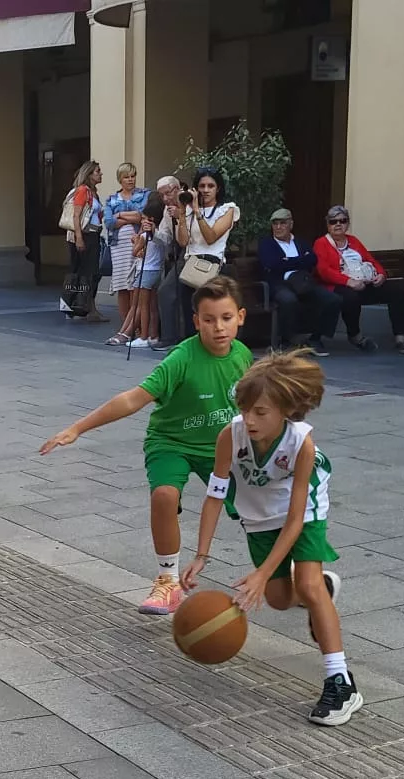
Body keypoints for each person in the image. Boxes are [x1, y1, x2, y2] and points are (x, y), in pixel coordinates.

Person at [38, 275, 251, 615]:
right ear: (196, 322)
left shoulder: (242, 355)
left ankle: (287, 572)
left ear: (240, 316)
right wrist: (78, 428)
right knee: (164, 495)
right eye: (209, 320)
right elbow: (132, 400)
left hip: (221, 447)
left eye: (226, 318)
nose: (218, 328)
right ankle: (167, 582)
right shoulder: (181, 359)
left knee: (260, 506)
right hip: (171, 442)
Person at [181, 351, 357, 727]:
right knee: (279, 600)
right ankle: (320, 589)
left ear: (285, 410)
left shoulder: (301, 444)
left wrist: (259, 574)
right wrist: (201, 555)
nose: (250, 419)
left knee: (306, 584)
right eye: (245, 409)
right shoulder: (231, 435)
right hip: (258, 514)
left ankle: (340, 682)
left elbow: (295, 519)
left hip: (302, 511)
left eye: (261, 412)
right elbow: (215, 494)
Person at [315, 205, 404, 354]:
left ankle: (401, 337)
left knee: (397, 290)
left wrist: (381, 275)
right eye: (333, 221)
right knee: (350, 297)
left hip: (363, 282)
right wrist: (348, 281)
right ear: (327, 225)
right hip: (337, 285)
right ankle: (355, 335)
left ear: (347, 224)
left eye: (342, 221)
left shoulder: (353, 241)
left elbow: (371, 261)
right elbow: (324, 271)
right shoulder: (321, 243)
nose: (338, 224)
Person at [166, 167, 241, 343]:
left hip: (213, 271)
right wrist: (183, 212)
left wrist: (198, 211)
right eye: (201, 186)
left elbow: (211, 237)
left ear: (218, 188)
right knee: (191, 317)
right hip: (190, 269)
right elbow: (183, 242)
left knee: (210, 316)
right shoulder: (190, 211)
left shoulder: (227, 209)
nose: (205, 190)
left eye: (210, 186)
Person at [257, 208, 337, 355]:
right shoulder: (266, 244)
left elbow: (312, 260)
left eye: (283, 223)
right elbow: (271, 264)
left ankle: (315, 339)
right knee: (288, 300)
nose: (278, 227)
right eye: (275, 224)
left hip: (302, 282)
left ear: (291, 224)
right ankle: (288, 342)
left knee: (332, 299)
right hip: (280, 284)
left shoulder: (300, 242)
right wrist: (299, 261)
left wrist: (287, 261)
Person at [103, 163, 154, 347]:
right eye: (127, 177)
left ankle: (136, 328)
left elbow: (143, 215)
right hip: (118, 247)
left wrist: (120, 215)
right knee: (122, 285)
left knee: (135, 285)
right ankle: (127, 326)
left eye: (133, 176)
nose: (130, 179)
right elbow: (108, 222)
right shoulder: (111, 198)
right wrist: (129, 216)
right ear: (120, 179)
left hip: (137, 243)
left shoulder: (144, 194)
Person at [60, 160, 107, 323]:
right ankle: (77, 305)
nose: (100, 174)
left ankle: (84, 306)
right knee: (83, 272)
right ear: (88, 174)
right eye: (97, 171)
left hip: (93, 235)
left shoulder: (93, 193)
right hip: (83, 236)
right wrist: (79, 238)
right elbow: (76, 216)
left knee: (90, 273)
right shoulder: (83, 191)